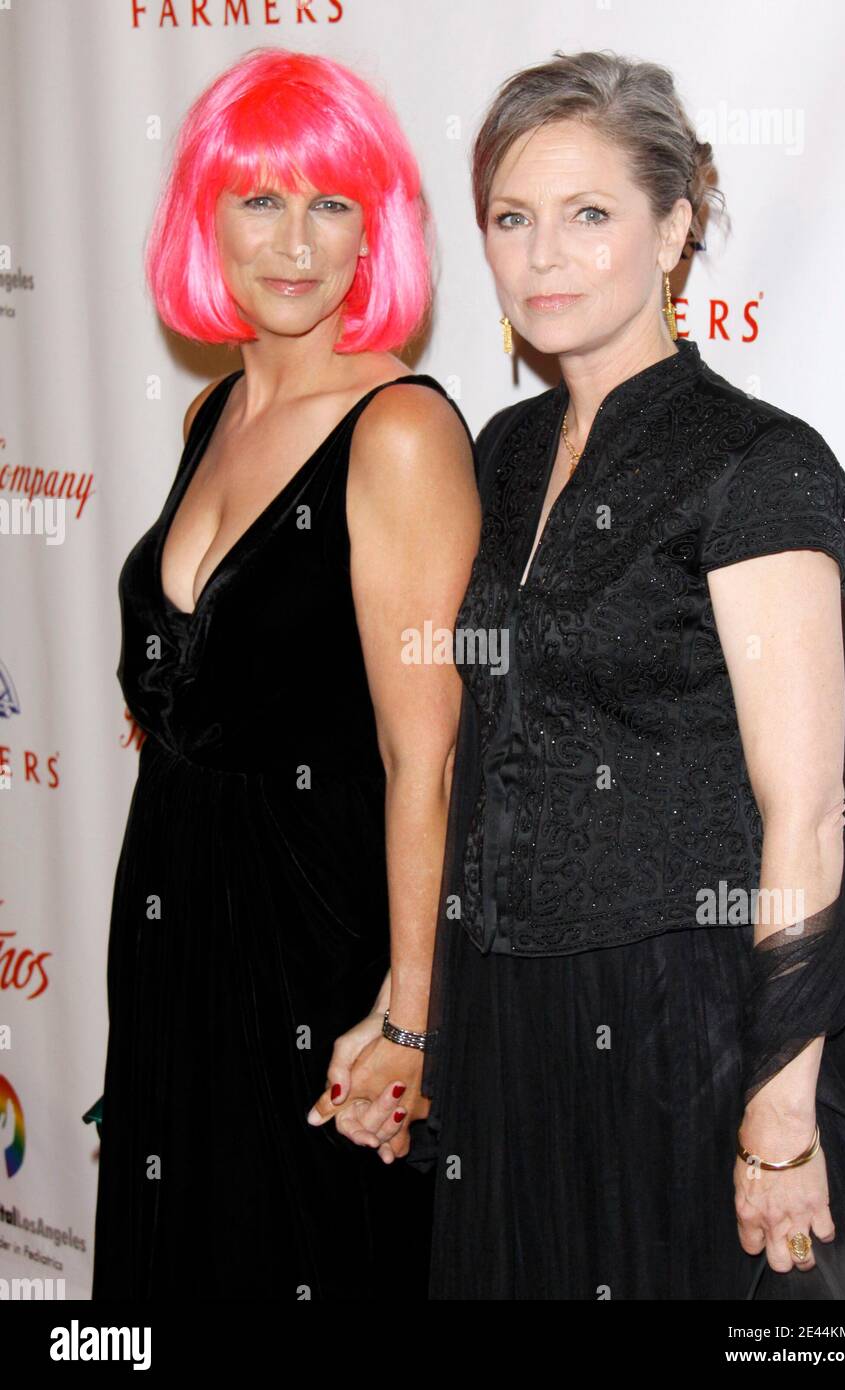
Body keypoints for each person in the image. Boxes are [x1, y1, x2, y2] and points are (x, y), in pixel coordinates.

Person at [400, 49, 845, 1300]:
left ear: (675, 228)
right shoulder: (506, 452)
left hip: (699, 1024)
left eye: (589, 216)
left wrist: (780, 1106)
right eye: (512, 221)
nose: (544, 257)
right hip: (518, 1021)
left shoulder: (758, 463)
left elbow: (803, 809)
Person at [87, 47, 478, 1300]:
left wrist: (409, 1014)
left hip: (321, 948)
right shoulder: (215, 416)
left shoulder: (402, 429)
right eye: (260, 198)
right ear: (208, 219)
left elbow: (430, 756)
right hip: (172, 928)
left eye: (332, 201)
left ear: (377, 231)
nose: (294, 241)